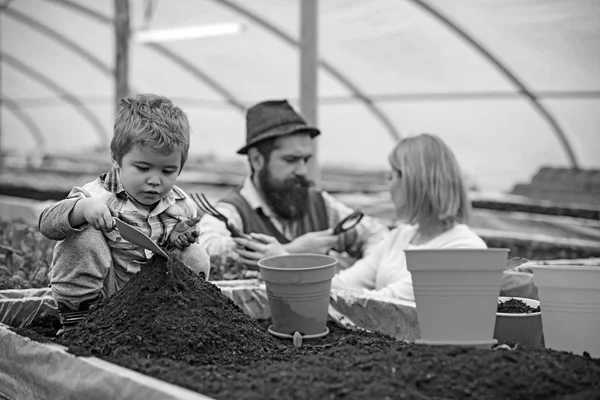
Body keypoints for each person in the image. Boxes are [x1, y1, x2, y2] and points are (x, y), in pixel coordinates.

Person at [39, 94, 210, 327]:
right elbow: (46, 223)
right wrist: (81, 209)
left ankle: (179, 321)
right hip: (102, 292)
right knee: (84, 237)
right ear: (116, 158)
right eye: (142, 168)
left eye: (168, 171)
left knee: (195, 255)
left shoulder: (181, 205)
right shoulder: (96, 196)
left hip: (151, 298)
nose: (154, 180)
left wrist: (176, 238)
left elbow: (171, 253)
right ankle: (78, 322)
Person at [196, 99, 388, 267]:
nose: (302, 171)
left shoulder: (320, 204)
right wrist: (291, 253)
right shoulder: (231, 212)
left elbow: (379, 236)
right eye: (290, 160)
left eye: (305, 160)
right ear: (256, 160)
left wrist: (357, 276)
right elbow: (205, 252)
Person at [330, 133, 487, 301]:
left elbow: (387, 303)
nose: (389, 186)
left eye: (392, 176)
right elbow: (343, 283)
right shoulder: (399, 237)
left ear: (414, 182)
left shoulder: (465, 249)